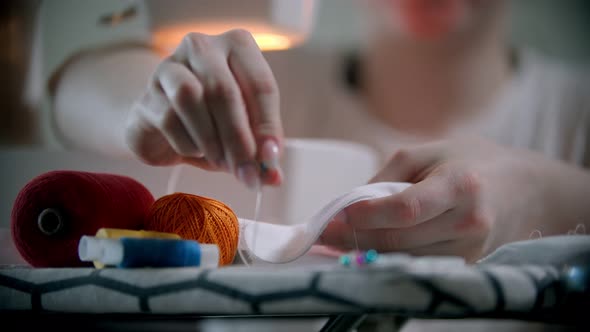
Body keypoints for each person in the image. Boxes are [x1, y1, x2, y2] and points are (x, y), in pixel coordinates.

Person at [47, 0, 590, 265]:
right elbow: (67, 89)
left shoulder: (576, 112)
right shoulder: (271, 81)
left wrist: (541, 194)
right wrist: (143, 105)